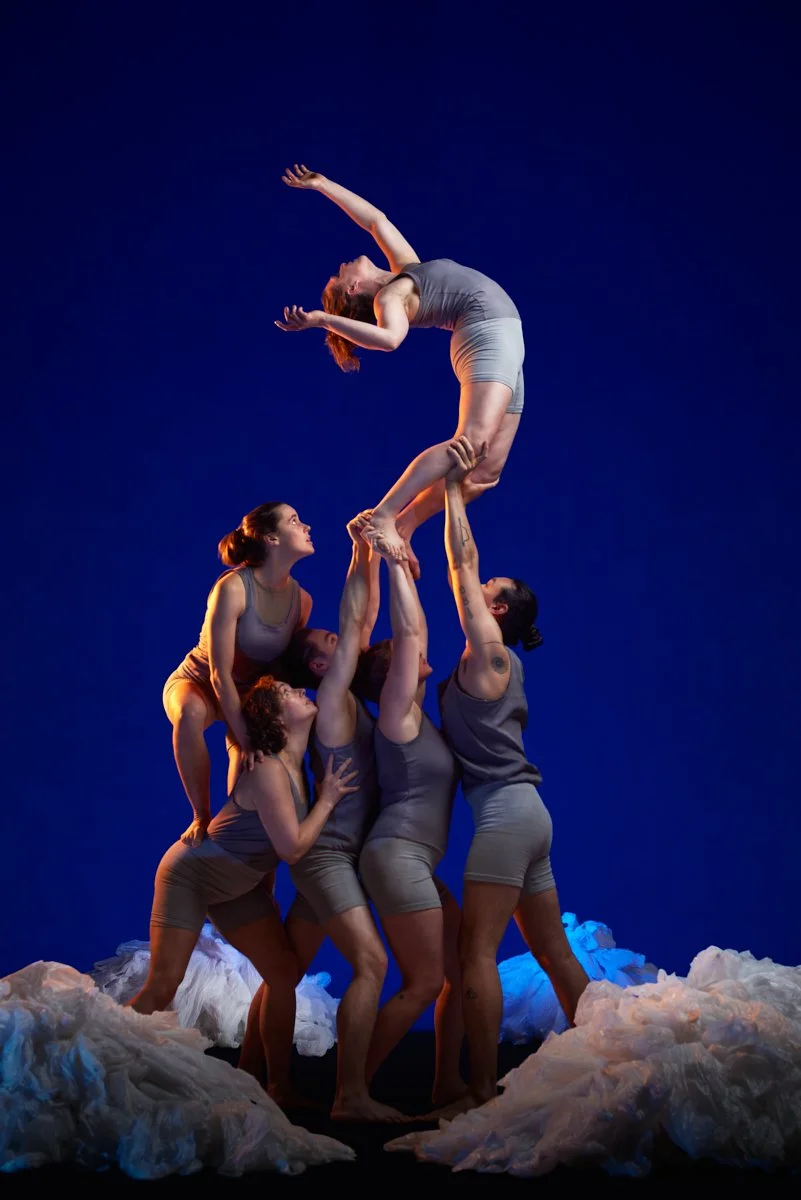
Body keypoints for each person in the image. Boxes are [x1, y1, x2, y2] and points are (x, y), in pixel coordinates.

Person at [437, 436, 590, 1115]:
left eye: (490, 588)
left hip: (505, 815)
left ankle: (478, 1086)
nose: (482, 580)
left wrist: (451, 493)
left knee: (475, 954)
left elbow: (459, 562)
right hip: (527, 813)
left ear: (495, 610)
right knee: (553, 951)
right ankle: (604, 1056)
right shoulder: (493, 658)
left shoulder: (490, 650)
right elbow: (466, 571)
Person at [275, 165, 525, 571]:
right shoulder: (388, 299)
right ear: (354, 289)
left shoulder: (406, 271)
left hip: (506, 338)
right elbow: (391, 339)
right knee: (471, 440)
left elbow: (376, 220)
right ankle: (385, 514)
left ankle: (405, 524)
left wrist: (323, 185)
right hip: (484, 333)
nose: (341, 266)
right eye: (340, 276)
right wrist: (324, 319)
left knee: (484, 474)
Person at [128, 675, 358, 1110]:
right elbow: (290, 848)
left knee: (284, 974)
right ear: (274, 717)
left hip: (238, 887)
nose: (301, 691)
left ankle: (274, 1085)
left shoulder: (294, 762)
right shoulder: (268, 769)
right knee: (164, 983)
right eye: (290, 692)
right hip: (190, 877)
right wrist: (327, 801)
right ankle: (105, 1059)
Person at [239, 515, 403, 1122]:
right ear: (316, 669)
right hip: (326, 855)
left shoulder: (344, 699)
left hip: (331, 855)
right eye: (331, 644)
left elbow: (363, 619)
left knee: (287, 971)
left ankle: (247, 1079)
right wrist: (366, 549)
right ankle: (350, 1097)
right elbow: (359, 618)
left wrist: (370, 559)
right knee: (372, 963)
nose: (346, 640)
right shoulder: (332, 702)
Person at [354, 552, 467, 1109]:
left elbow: (414, 630)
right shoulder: (396, 714)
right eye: (408, 655)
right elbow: (408, 629)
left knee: (462, 966)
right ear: (392, 673)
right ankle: (350, 1091)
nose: (421, 651)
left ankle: (447, 1085)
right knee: (423, 981)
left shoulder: (412, 714)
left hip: (412, 858)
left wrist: (398, 560)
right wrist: (394, 559)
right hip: (396, 855)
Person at [162, 502, 313, 847]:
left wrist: (256, 737)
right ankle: (201, 817)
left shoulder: (302, 601)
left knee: (253, 761)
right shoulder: (233, 587)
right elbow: (218, 676)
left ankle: (233, 836)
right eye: (295, 521)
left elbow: (279, 670)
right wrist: (243, 736)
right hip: (199, 681)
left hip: (247, 693)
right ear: (272, 538)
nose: (307, 527)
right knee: (190, 713)